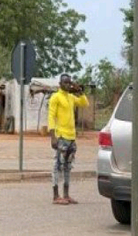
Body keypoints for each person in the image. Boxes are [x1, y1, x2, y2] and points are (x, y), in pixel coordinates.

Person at [47, 73, 89, 205]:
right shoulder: (56, 97)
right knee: (58, 165)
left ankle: (66, 194)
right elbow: (51, 116)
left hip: (71, 137)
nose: (67, 85)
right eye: (65, 82)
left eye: (69, 82)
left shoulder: (71, 97)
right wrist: (52, 136)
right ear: (60, 84)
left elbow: (84, 103)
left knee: (68, 166)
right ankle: (56, 196)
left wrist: (79, 91)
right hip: (61, 137)